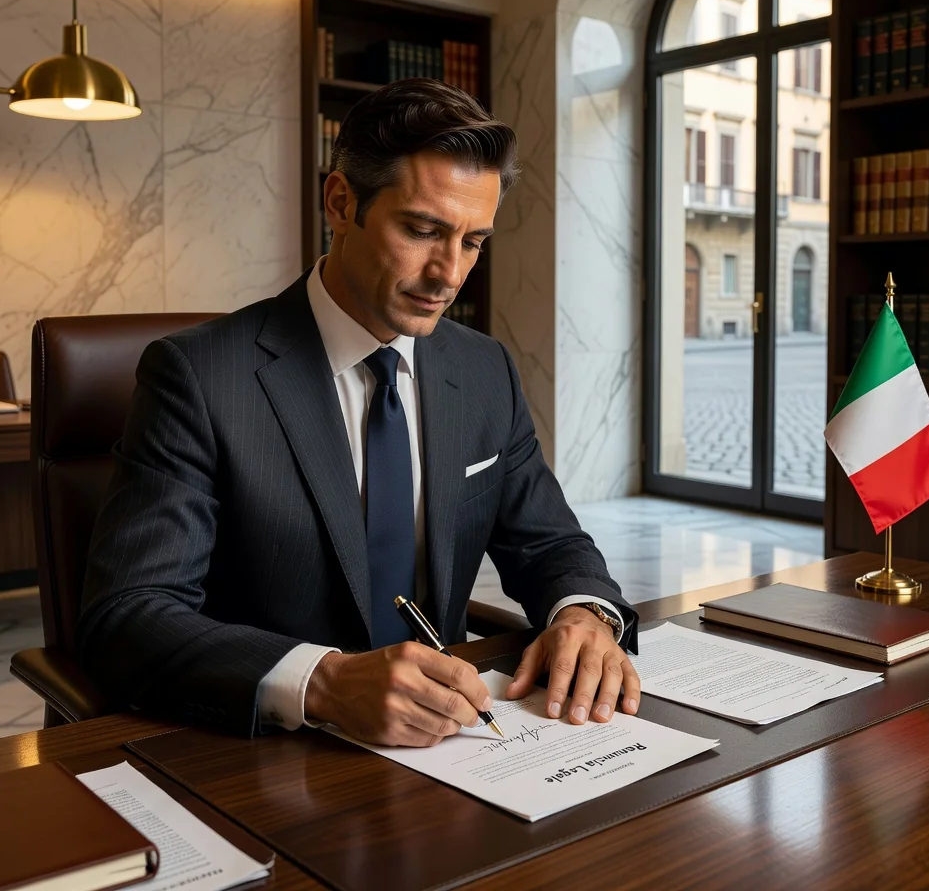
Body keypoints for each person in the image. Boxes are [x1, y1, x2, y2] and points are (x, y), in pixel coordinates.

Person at [77, 78, 641, 746]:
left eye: (473, 242)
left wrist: (584, 614)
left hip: (456, 749)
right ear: (341, 203)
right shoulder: (198, 377)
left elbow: (549, 542)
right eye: (423, 230)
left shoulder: (484, 369)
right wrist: (323, 682)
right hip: (274, 754)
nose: (449, 274)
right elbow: (129, 614)